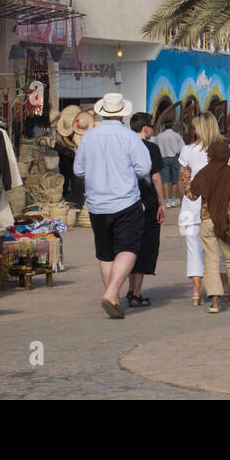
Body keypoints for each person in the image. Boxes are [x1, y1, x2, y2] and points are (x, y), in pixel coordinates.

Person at [72, 93, 151, 319]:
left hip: (97, 204)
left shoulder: (89, 136)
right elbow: (144, 169)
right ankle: (111, 293)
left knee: (105, 254)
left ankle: (113, 297)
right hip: (125, 201)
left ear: (103, 112)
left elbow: (78, 170)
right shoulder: (130, 137)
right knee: (128, 248)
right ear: (122, 113)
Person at [186, 140, 230, 313]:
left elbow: (192, 194)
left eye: (209, 154)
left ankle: (215, 303)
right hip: (226, 223)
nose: (207, 157)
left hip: (207, 222)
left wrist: (185, 176)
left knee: (211, 262)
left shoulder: (204, 173)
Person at [178, 113, 229, 305]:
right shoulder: (222, 149)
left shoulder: (187, 150)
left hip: (191, 206)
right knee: (219, 247)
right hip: (215, 205)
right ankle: (224, 287)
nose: (193, 130)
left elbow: (183, 181)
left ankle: (196, 292)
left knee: (194, 250)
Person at [127, 112, 167, 307]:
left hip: (127, 202)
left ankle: (129, 288)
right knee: (145, 246)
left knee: (129, 247)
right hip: (147, 203)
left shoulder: (126, 146)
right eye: (151, 126)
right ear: (145, 128)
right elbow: (156, 177)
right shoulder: (151, 148)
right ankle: (136, 293)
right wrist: (162, 202)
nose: (153, 130)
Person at [154, 120, 184, 208]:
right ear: (172, 126)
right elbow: (182, 147)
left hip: (163, 158)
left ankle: (167, 200)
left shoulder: (160, 136)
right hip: (174, 158)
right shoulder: (177, 135)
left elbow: (156, 147)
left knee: (165, 180)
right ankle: (173, 200)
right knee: (175, 180)